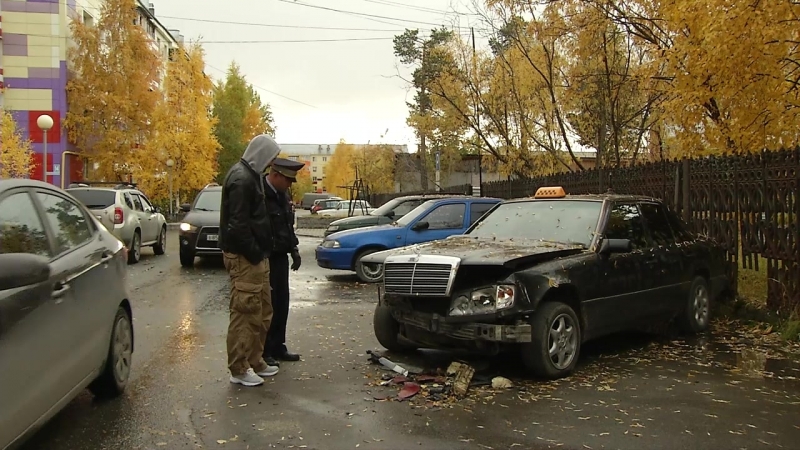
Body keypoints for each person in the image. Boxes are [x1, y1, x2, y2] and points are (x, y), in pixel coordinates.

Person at [218, 134, 282, 387]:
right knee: (245, 313)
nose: (272, 163)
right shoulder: (241, 179)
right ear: (261, 154)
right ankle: (239, 368)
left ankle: (255, 360)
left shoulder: (251, 175)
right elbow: (238, 226)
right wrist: (255, 253)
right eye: (271, 157)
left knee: (262, 310)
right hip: (245, 257)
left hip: (255, 256)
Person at [262, 157, 305, 366]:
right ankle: (265, 350)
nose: (289, 185)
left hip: (280, 256)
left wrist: (294, 250)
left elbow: (287, 226)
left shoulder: (282, 195)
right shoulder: (261, 194)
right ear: (275, 175)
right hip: (266, 257)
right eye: (287, 180)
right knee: (268, 305)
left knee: (282, 303)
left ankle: (279, 345)